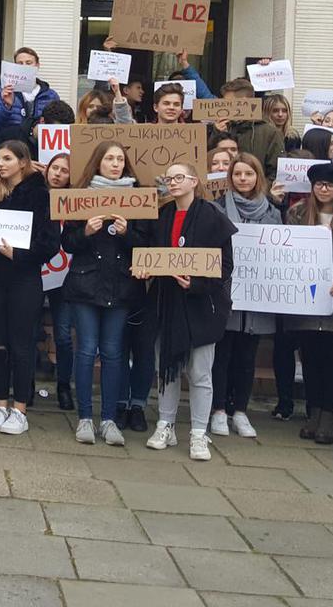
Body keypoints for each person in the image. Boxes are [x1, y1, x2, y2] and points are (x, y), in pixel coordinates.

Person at [145, 162, 237, 461]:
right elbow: (151, 255)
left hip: (201, 306)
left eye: (179, 178)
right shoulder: (162, 215)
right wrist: (147, 269)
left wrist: (196, 283)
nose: (173, 183)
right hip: (167, 303)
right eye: (169, 179)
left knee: (200, 372)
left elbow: (224, 266)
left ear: (194, 181)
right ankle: (165, 424)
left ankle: (198, 433)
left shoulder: (212, 217)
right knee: (167, 370)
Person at [62, 141, 144, 446]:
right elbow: (67, 242)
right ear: (98, 163)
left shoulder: (137, 199)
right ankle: (85, 417)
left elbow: (144, 245)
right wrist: (84, 232)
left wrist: (127, 234)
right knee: (86, 350)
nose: (115, 164)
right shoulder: (81, 196)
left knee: (113, 353)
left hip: (120, 286)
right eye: (109, 158)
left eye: (120, 159)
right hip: (86, 285)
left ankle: (109, 419)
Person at [0, 140, 60, 435]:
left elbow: (50, 242)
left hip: (25, 278)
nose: (1, 164)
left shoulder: (40, 195)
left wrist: (19, 255)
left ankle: (20, 409)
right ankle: (0, 404)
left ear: (23, 162)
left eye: (7, 158)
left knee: (22, 344)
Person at [287, 162, 333, 444]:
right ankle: (314, 412)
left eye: (329, 185)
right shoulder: (297, 214)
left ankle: (329, 415)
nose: (323, 189)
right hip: (306, 296)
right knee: (309, 357)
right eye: (319, 184)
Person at [209, 153, 278, 438]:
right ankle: (219, 411)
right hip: (226, 294)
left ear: (257, 177)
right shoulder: (216, 209)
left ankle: (240, 411)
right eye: (237, 174)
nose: (242, 179)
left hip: (257, 296)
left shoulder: (272, 212)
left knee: (246, 357)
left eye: (248, 174)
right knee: (222, 354)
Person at [42, 151, 76, 411]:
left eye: (65, 171)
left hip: (63, 277)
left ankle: (64, 386)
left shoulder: (75, 203)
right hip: (35, 271)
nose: (58, 174)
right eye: (55, 168)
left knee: (63, 335)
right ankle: (26, 387)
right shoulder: (35, 196)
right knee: (28, 331)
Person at [0, 48, 59, 146]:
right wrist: (6, 107)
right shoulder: (1, 91)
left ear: (37, 65)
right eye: (20, 64)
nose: (24, 67)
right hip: (11, 149)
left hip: (40, 150)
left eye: (29, 63)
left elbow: (58, 128)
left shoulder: (50, 95)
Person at [217, 79, 283, 178]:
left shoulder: (270, 133)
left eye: (228, 103)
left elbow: (275, 172)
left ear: (244, 102)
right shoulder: (222, 128)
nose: (224, 107)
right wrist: (216, 133)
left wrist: (259, 192)